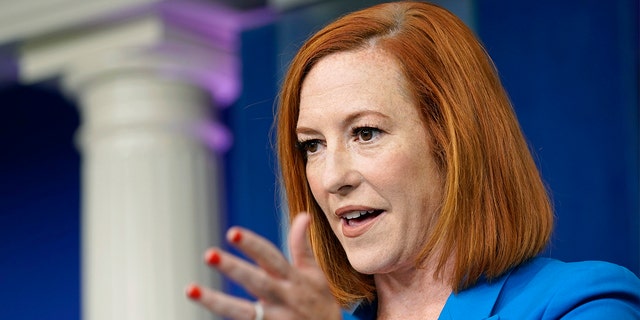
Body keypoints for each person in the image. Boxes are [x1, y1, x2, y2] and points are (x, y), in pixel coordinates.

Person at [184, 1, 640, 319]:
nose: (331, 177)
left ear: (453, 142)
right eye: (312, 145)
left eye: (366, 133)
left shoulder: (583, 301)